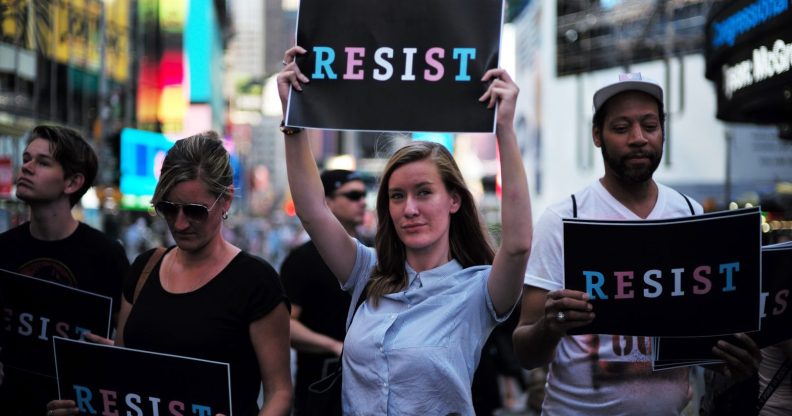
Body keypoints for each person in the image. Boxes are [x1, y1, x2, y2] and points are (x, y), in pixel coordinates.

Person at [277, 45, 532, 415]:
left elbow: (518, 245)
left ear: (454, 200)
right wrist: (292, 119)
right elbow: (313, 212)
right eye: (397, 196)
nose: (409, 208)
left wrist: (504, 130)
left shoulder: (478, 290)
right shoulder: (367, 272)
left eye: (424, 192)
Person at [511, 73, 761, 415]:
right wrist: (549, 326)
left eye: (650, 125)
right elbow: (526, 353)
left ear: (663, 131)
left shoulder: (689, 213)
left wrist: (734, 357)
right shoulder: (563, 219)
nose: (638, 138)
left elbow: (704, 340)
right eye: (622, 127)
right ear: (597, 136)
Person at [47, 131, 292, 416]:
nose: (180, 223)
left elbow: (280, 393)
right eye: (168, 208)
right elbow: (125, 378)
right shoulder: (144, 268)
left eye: (195, 211)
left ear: (225, 201)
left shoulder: (255, 282)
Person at [0, 125, 129, 416]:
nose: (27, 167)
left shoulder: (106, 256)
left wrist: (114, 354)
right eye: (27, 158)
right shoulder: (4, 249)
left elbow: (131, 347)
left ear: (72, 183)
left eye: (43, 162)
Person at [280, 169, 366, 416]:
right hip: (320, 385)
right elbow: (285, 325)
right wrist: (334, 346)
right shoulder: (302, 260)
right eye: (352, 195)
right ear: (327, 202)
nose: (361, 201)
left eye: (363, 195)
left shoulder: (375, 252)